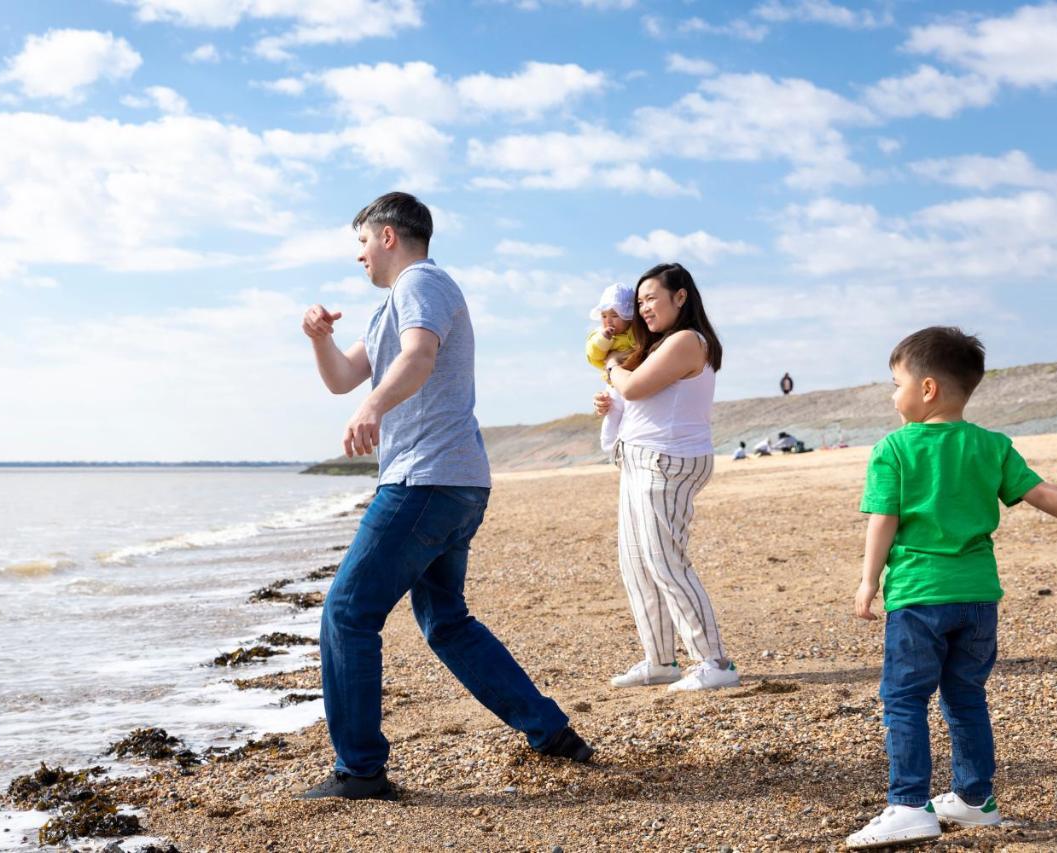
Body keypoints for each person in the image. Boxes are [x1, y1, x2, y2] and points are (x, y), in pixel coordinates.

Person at [298, 192, 593, 802]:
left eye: (360, 242)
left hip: (425, 480)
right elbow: (341, 379)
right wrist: (319, 338)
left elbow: (421, 355)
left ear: (387, 236)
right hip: (453, 482)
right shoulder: (390, 310)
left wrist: (374, 406)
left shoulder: (421, 283)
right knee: (445, 621)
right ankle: (550, 730)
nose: (357, 256)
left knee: (347, 613)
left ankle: (359, 772)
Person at [845, 326, 1057, 849]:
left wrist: (869, 581)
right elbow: (1044, 494)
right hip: (978, 598)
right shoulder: (991, 445)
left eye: (895, 383)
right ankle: (975, 800)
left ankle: (909, 804)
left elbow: (883, 519)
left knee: (905, 699)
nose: (893, 395)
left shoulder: (895, 448)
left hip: (919, 597)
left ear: (926, 388)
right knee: (966, 697)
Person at [593, 263, 739, 692]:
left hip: (667, 461)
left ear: (680, 297)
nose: (644, 309)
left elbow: (635, 387)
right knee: (636, 565)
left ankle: (715, 662)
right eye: (638, 303)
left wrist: (613, 369)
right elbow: (638, 395)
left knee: (665, 561)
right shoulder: (661, 345)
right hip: (639, 460)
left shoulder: (688, 340)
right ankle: (660, 660)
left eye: (651, 299)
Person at [586, 283, 637, 381]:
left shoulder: (638, 332)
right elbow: (594, 355)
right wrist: (604, 339)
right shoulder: (599, 334)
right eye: (604, 316)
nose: (608, 321)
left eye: (614, 316)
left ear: (629, 317)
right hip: (614, 380)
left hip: (637, 376)